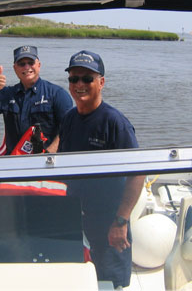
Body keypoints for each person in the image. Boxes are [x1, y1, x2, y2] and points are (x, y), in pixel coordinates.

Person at [58, 50, 144, 288]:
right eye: (74, 79)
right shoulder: (68, 119)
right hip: (75, 215)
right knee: (78, 277)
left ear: (101, 82)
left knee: (110, 282)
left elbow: (138, 172)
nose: (79, 84)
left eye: (87, 78)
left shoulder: (115, 122)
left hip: (109, 222)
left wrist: (121, 221)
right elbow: (63, 165)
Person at [0, 45, 73, 154]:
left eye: (31, 63)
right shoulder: (7, 94)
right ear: (15, 68)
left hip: (46, 162)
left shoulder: (57, 94)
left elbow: (69, 128)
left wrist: (49, 153)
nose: (27, 67)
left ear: (39, 65)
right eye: (21, 64)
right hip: (14, 160)